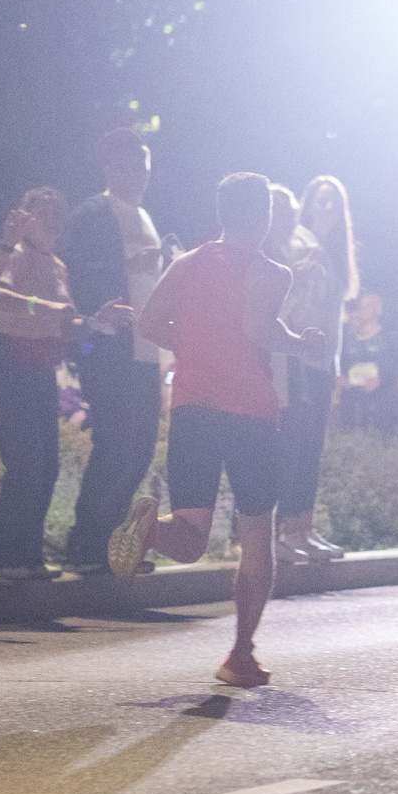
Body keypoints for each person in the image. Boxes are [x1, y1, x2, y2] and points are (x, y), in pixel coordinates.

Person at [108, 173, 330, 685]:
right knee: (257, 535)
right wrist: (303, 343)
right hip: (250, 413)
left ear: (222, 214)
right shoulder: (273, 271)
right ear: (265, 216)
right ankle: (240, 655)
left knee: (187, 538)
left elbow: (147, 324)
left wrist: (191, 345)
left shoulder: (186, 264)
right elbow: (260, 330)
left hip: (192, 409)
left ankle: (148, 528)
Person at [62, 127, 170, 577]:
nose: (140, 177)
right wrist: (127, 266)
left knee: (141, 446)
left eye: (145, 169)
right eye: (131, 168)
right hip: (109, 350)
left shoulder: (146, 216)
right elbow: (74, 269)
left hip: (146, 351)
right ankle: (86, 545)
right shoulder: (94, 212)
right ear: (111, 168)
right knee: (115, 443)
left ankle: (114, 545)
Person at [0, 187, 84, 582]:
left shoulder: (58, 266)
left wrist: (91, 323)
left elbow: (66, 318)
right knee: (25, 460)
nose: (50, 224)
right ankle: (8, 552)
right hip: (9, 363)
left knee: (48, 464)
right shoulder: (15, 256)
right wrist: (41, 307)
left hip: (41, 370)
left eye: (56, 217)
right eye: (40, 215)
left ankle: (26, 553)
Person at [276, 175, 357, 561]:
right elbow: (277, 297)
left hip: (324, 361)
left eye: (335, 203)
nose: (328, 209)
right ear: (307, 204)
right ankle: (284, 530)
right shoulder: (295, 241)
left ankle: (302, 527)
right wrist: (298, 273)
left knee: (311, 447)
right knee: (293, 443)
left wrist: (336, 366)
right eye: (322, 200)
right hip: (296, 356)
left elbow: (334, 315)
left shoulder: (336, 251)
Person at [338, 290, 391, 432]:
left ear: (376, 309)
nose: (362, 310)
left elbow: (394, 369)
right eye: (360, 306)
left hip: (379, 404)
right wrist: (340, 377)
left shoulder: (387, 339)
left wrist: (380, 381)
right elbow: (340, 363)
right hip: (351, 403)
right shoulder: (348, 339)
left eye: (367, 306)